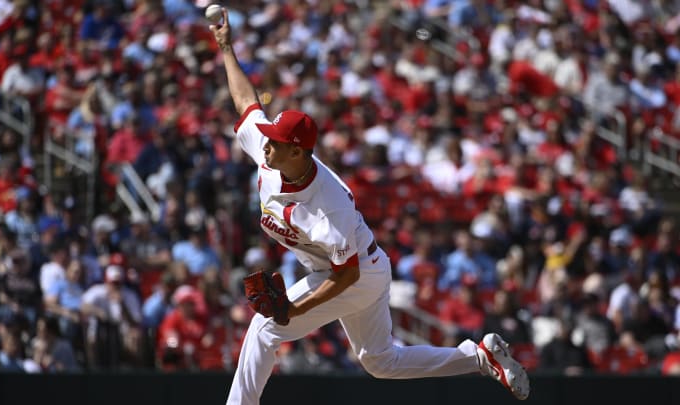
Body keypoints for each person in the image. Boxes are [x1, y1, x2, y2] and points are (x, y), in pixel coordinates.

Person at [208, 8, 530, 405]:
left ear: (298, 150)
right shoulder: (271, 155)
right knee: (380, 361)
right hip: (358, 266)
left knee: (265, 328)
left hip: (353, 273)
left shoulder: (329, 205)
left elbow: (346, 276)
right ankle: (479, 357)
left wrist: (294, 307)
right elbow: (246, 103)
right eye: (268, 138)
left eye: (275, 140)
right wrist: (226, 48)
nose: (265, 142)